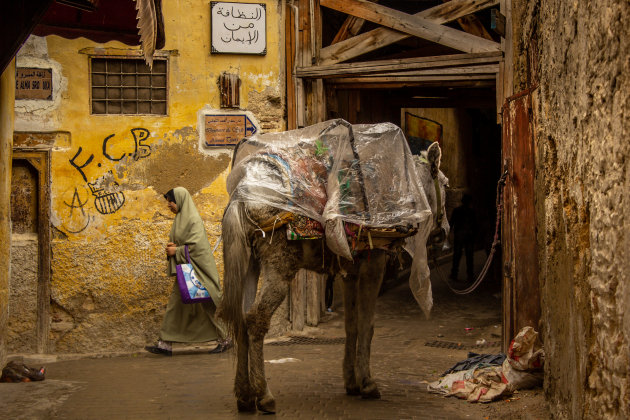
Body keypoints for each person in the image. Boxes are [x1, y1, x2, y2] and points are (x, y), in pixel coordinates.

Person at [145, 187, 231, 356]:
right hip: (187, 270)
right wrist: (172, 247)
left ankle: (226, 338)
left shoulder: (192, 219)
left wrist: (176, 252)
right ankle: (165, 344)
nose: (169, 205)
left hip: (200, 270)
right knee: (176, 305)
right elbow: (181, 242)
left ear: (181, 200)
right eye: (168, 201)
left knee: (210, 303)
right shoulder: (180, 219)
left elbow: (198, 247)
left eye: (171, 201)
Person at [449, 193, 476, 283]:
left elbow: (451, 223)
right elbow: (475, 224)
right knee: (469, 256)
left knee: (457, 255)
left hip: (460, 235)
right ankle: (470, 275)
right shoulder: (471, 211)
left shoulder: (457, 210)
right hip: (468, 235)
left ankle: (454, 274)